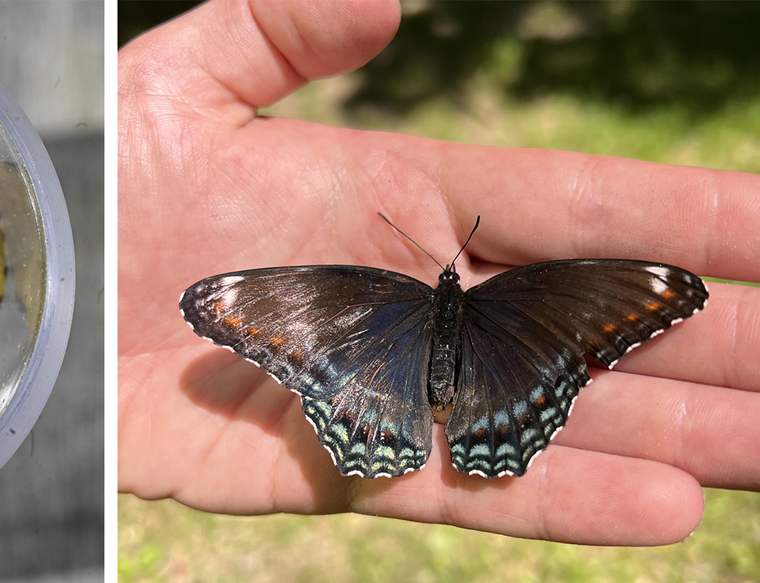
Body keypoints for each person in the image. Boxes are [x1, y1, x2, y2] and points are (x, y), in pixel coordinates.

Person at [118, 0, 760, 546]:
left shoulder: (371, 297)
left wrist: (647, 286)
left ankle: (415, 433)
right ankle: (468, 431)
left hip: (422, 368)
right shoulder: (525, 295)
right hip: (498, 368)